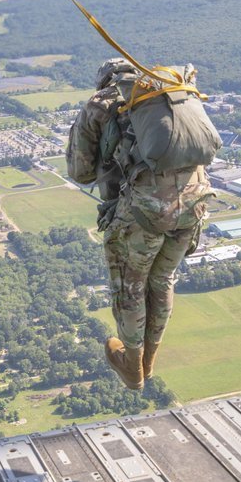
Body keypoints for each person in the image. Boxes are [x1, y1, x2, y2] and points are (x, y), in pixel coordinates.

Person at [67, 58, 215, 390]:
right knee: (162, 280)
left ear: (104, 79)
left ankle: (131, 366)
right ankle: (149, 361)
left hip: (145, 210)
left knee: (131, 285)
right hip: (195, 203)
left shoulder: (101, 103)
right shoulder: (168, 90)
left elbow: (81, 172)